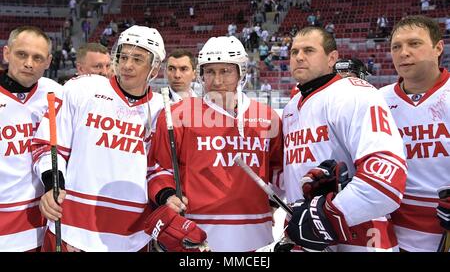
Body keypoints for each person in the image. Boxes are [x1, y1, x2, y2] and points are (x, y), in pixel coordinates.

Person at [31, 25, 207, 252]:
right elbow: (49, 145)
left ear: (154, 66)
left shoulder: (161, 111)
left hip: (132, 235)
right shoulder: (82, 88)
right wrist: (51, 183)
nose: (127, 65)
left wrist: (166, 196)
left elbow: (157, 168)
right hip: (73, 228)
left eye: (137, 59)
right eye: (123, 56)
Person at [147, 36, 284, 252]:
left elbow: (278, 169)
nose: (217, 81)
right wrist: (167, 194)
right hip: (196, 232)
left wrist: (274, 202)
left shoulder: (267, 117)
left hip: (256, 233)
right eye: (210, 72)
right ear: (201, 74)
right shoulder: (177, 114)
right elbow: (157, 167)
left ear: (241, 72)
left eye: (225, 71)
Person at [283, 26, 407, 252]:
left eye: (309, 50)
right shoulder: (291, 107)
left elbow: (387, 176)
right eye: (294, 52)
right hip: (308, 234)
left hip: (360, 234)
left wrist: (328, 214)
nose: (299, 57)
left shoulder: (356, 93)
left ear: (332, 58)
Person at [380, 15, 450, 252]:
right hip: (389, 232)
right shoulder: (377, 100)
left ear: (438, 48)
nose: (403, 53)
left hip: (442, 231)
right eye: (396, 47)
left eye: (414, 44)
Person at [0, 26, 61, 251]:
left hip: (46, 220)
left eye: (38, 58)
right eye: (21, 54)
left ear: (48, 61)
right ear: (7, 53)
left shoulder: (56, 94)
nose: (29, 63)